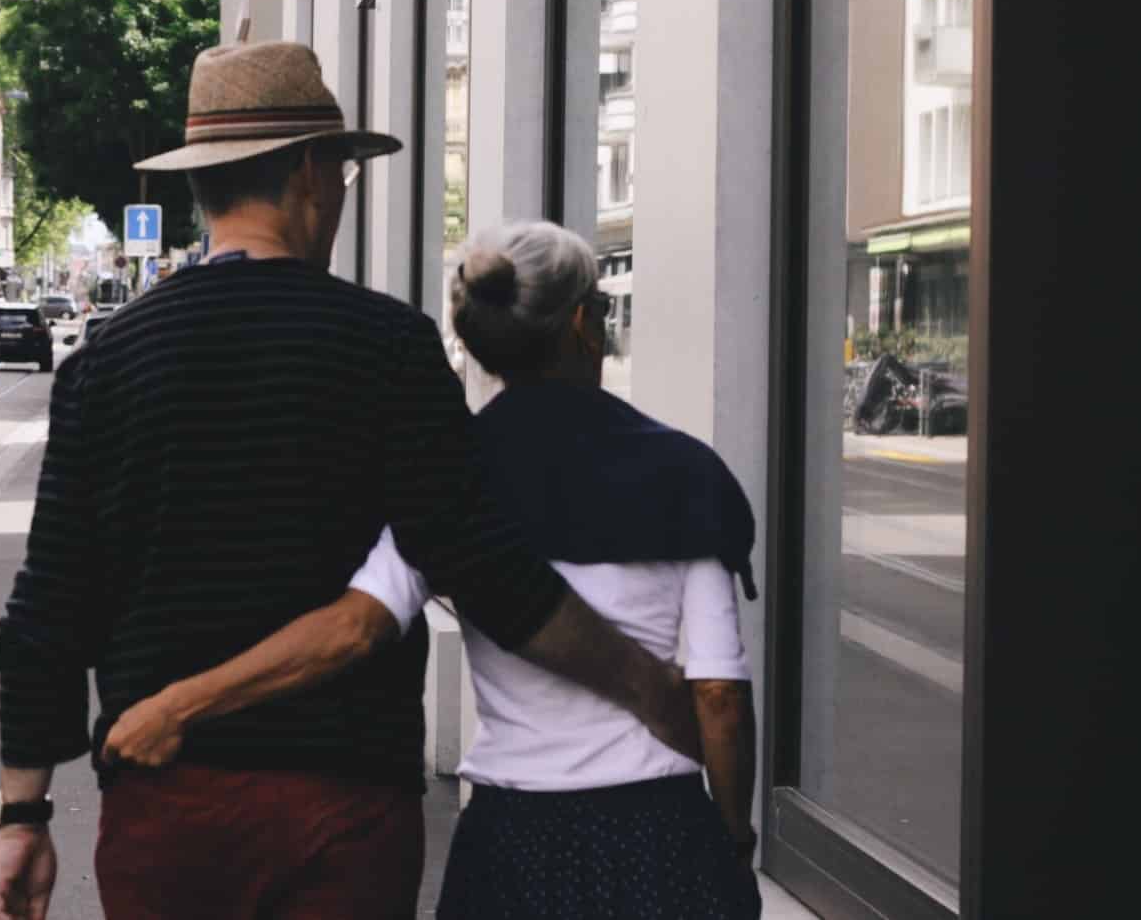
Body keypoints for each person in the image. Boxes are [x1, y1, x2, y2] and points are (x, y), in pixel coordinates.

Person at [0, 42, 700, 920]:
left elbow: (49, 606)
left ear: (203, 187)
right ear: (309, 177)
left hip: (165, 808)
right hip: (342, 811)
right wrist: (648, 687)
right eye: (342, 175)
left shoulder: (107, 364)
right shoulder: (387, 345)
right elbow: (482, 565)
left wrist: (23, 813)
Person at [104, 221, 762, 919]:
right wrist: (732, 836)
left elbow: (352, 629)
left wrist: (178, 705)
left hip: (513, 840)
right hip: (658, 832)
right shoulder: (686, 474)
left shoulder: (451, 475)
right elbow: (719, 693)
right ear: (581, 324)